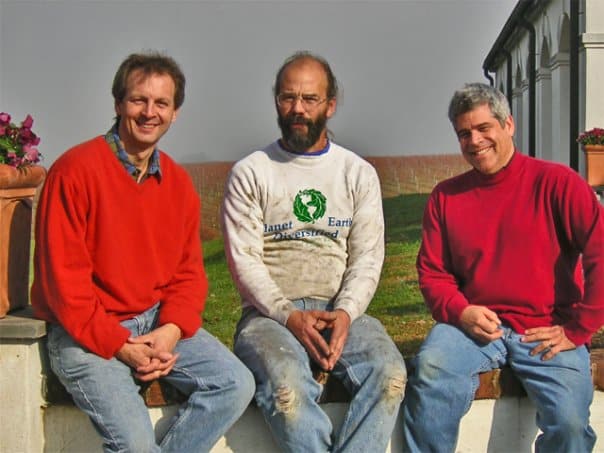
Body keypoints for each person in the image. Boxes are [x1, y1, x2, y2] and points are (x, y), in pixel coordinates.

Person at [31, 51, 254, 452]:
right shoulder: (74, 172)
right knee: (134, 446)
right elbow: (64, 284)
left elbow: (188, 276)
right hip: (85, 335)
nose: (149, 112)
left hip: (155, 322)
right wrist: (121, 346)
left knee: (235, 384)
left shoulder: (178, 184)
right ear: (118, 104)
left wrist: (169, 332)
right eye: (139, 100)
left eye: (161, 103)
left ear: (175, 113)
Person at [221, 51, 406, 453]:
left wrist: (345, 313)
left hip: (343, 311)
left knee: (390, 374)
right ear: (276, 102)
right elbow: (243, 262)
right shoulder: (251, 172)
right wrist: (289, 315)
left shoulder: (356, 173)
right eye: (288, 98)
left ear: (330, 105)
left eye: (310, 99)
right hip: (268, 318)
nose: (298, 109)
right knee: (287, 390)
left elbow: (367, 257)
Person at [403, 82, 604, 452]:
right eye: (464, 133)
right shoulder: (445, 197)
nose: (475, 141)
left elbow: (600, 251)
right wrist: (460, 311)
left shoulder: (558, 183)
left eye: (483, 128)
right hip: (474, 328)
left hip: (547, 329)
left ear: (508, 125)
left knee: (571, 425)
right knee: (431, 369)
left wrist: (579, 327)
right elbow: (433, 274)